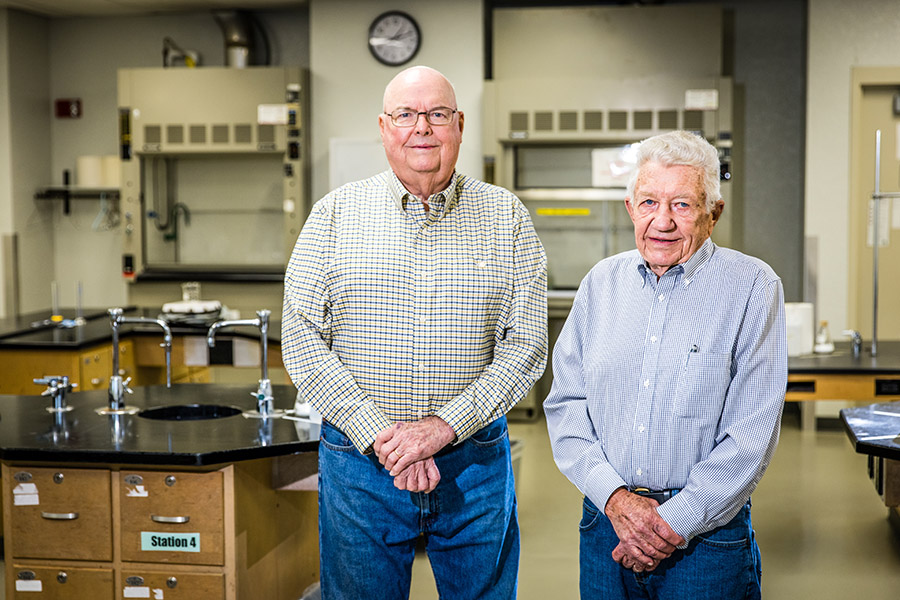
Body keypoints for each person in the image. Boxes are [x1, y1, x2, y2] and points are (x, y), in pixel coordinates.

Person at [281, 65, 547, 600]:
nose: (421, 127)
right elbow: (302, 339)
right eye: (406, 114)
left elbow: (527, 345)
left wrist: (443, 428)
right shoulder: (333, 215)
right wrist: (383, 435)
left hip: (472, 465)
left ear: (459, 125)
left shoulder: (506, 217)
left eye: (437, 114)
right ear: (384, 127)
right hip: (361, 470)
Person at [544, 130, 786, 599]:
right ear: (631, 208)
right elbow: (567, 404)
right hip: (605, 525)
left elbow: (750, 435)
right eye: (650, 202)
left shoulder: (753, 288)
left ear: (713, 214)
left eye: (682, 205)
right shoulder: (601, 286)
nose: (662, 221)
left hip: (706, 540)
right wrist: (616, 501)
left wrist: (668, 524)